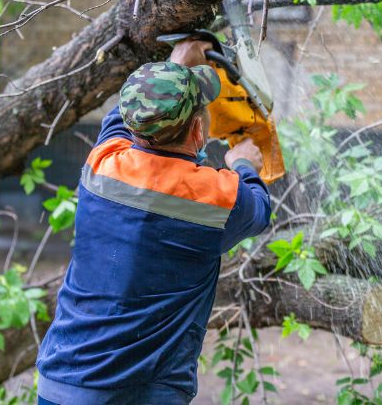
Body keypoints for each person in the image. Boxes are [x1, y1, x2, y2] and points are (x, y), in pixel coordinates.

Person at [35, 40, 271, 405]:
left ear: (133, 128)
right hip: (145, 394)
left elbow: (120, 118)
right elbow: (258, 211)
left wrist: (173, 63)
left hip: (63, 382)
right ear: (197, 132)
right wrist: (244, 164)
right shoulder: (218, 196)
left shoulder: (103, 163)